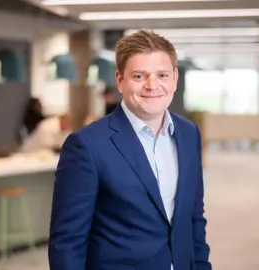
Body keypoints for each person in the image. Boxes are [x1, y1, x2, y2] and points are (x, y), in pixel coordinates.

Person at [49, 30, 211, 270]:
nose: (152, 85)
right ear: (119, 80)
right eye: (138, 76)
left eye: (162, 75)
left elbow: (194, 218)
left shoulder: (188, 134)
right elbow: (67, 243)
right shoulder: (87, 146)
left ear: (175, 79)